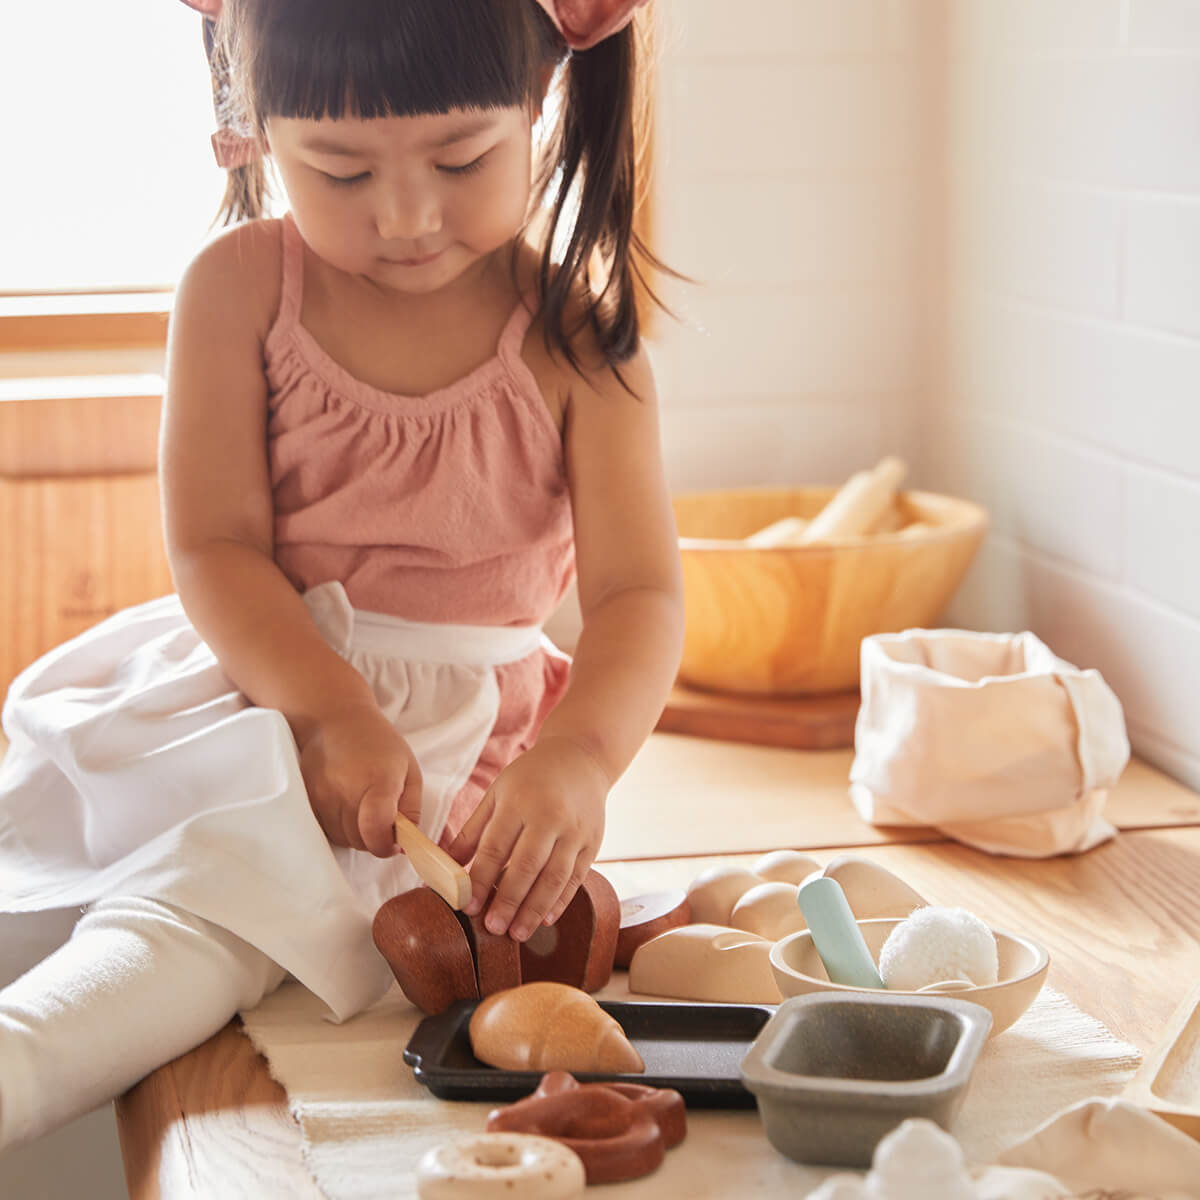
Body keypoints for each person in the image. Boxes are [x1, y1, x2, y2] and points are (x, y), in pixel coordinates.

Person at [0, 0, 682, 1153]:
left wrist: (579, 760)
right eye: (340, 169)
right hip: (268, 686)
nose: (407, 214)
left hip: (458, 758)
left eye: (461, 157)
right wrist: (326, 708)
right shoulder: (237, 289)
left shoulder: (577, 333)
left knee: (211, 929)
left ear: (540, 108)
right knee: (46, 892)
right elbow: (216, 545)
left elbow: (638, 599)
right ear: (255, 128)